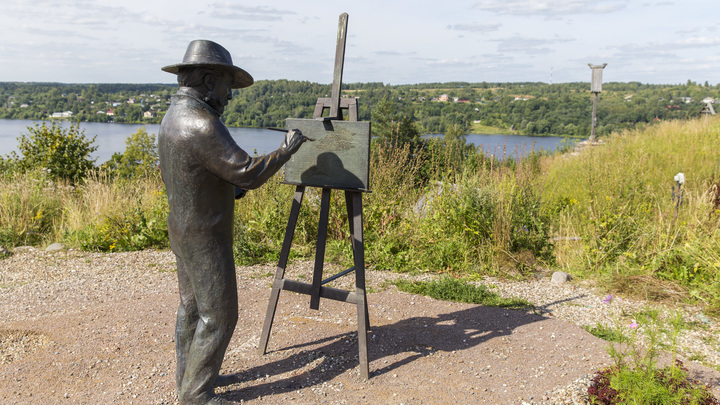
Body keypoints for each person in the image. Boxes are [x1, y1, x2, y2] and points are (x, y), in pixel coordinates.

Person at [158, 39, 309, 404]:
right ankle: (196, 395)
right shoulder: (202, 123)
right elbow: (246, 171)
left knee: (191, 309)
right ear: (209, 80)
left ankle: (188, 378)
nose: (229, 95)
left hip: (182, 226)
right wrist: (287, 150)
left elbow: (195, 174)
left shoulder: (173, 116)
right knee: (221, 315)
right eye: (227, 85)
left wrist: (228, 190)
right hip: (205, 236)